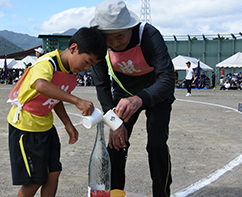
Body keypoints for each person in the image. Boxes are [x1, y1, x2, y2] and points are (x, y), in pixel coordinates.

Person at [7, 27, 107, 197]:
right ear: (74, 48)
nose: (86, 68)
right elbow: (42, 86)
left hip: (45, 127)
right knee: (34, 181)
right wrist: (77, 100)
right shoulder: (47, 63)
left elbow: (55, 98)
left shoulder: (70, 72)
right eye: (87, 61)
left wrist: (68, 124)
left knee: (53, 173)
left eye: (91, 65)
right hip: (26, 128)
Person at [90, 0, 175, 196]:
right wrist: (113, 121)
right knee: (116, 142)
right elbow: (102, 85)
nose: (115, 44)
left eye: (120, 36)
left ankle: (161, 193)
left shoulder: (149, 35)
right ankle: (116, 192)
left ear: (131, 26)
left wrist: (139, 99)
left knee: (156, 145)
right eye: (108, 39)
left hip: (156, 92)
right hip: (123, 93)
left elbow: (167, 78)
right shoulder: (100, 46)